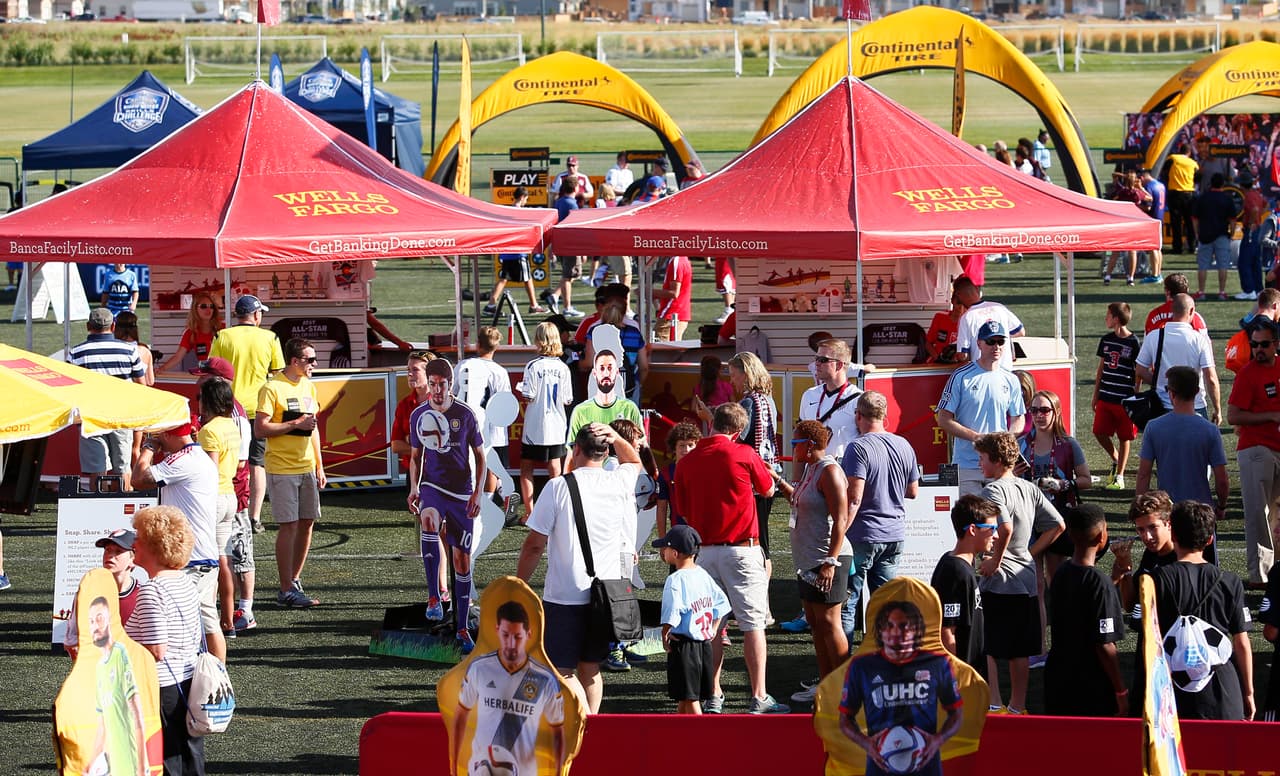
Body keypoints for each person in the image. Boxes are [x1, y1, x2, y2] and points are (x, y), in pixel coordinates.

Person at [516, 423, 640, 714]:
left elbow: (534, 545)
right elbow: (634, 460)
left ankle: (583, 720)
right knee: (591, 666)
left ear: (576, 450)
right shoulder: (619, 481)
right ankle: (593, 721)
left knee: (561, 670)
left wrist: (519, 582)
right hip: (608, 593)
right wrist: (617, 436)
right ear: (606, 451)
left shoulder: (559, 486)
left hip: (565, 594)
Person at [673, 403, 788, 715]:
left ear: (713, 425)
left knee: (710, 628)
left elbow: (681, 508)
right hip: (741, 548)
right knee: (752, 625)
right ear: (739, 431)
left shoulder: (687, 460)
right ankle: (759, 695)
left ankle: (713, 694)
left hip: (704, 553)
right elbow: (767, 489)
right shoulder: (744, 453)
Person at [974, 431, 1064, 715]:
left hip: (999, 580)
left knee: (988, 643)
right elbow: (1058, 525)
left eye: (983, 458)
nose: (980, 463)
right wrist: (1030, 553)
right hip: (1025, 577)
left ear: (997, 460)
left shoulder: (992, 490)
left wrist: (995, 561)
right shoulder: (1029, 488)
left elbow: (1005, 528)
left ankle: (993, 702)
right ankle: (1018, 707)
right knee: (1020, 648)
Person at [408, 358, 486, 654]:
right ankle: (434, 597)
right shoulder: (419, 415)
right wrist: (415, 487)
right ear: (428, 384)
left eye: (442, 384)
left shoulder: (464, 414)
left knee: (461, 561)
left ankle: (463, 628)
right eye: (433, 384)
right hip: (432, 487)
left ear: (450, 384)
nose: (438, 390)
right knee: (428, 519)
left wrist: (477, 494)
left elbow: (480, 456)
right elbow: (416, 457)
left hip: (461, 493)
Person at [1150, 501, 1254, 721]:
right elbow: (1241, 642)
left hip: (1174, 691)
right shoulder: (1230, 582)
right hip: (1224, 689)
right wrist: (1249, 692)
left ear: (1173, 534)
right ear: (1210, 539)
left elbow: (1151, 643)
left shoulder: (1157, 579)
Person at [838, 600, 963, 776]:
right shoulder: (862, 667)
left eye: (904, 626)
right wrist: (867, 744)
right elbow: (844, 719)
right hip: (879, 765)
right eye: (889, 625)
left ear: (918, 630)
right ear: (880, 631)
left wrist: (937, 740)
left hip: (926, 765)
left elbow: (956, 713)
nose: (896, 632)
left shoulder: (937, 664)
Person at [123, 505, 204, 776]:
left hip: (161, 688)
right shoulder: (185, 582)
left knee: (167, 761)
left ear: (154, 545)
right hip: (188, 680)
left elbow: (156, 649)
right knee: (191, 756)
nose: (133, 544)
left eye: (138, 538)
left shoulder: (152, 591)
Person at [779, 420, 852, 705]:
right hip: (808, 559)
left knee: (830, 622)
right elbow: (799, 503)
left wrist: (830, 561)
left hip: (826, 559)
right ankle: (826, 685)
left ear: (809, 445)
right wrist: (779, 482)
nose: (793, 450)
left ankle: (846, 688)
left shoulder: (830, 471)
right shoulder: (810, 469)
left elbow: (841, 518)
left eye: (796, 444)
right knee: (815, 622)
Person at [841, 391, 920, 643]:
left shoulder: (858, 447)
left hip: (863, 535)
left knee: (847, 602)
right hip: (894, 534)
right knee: (886, 605)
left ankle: (842, 668)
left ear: (858, 416)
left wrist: (839, 532)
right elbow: (913, 491)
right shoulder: (903, 444)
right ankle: (884, 660)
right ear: (884, 416)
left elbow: (854, 497)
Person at [452, 600, 565, 775]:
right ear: (497, 630)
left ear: (528, 634)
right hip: (479, 771)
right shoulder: (479, 669)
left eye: (517, 637)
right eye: (506, 635)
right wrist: (454, 765)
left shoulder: (544, 680)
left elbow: (557, 731)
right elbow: (460, 716)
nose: (511, 644)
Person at [255, 337, 325, 610]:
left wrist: (320, 465)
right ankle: (285, 588)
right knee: (290, 525)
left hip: (306, 466)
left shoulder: (309, 386)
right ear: (294, 361)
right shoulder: (271, 388)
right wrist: (296, 422)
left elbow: (314, 428)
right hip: (282, 467)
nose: (314, 364)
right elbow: (261, 429)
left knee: (307, 522)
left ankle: (294, 581)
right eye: (310, 360)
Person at [210, 294, 285, 536]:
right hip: (258, 408)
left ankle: (229, 512)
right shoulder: (270, 337)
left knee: (227, 461)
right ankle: (254, 517)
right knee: (257, 463)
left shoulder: (223, 336)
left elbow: (212, 369)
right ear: (255, 315)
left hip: (227, 407)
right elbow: (277, 374)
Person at [1043, 504, 1128, 718]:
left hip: (1058, 677)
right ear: (1102, 536)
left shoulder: (1061, 572)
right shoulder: (1099, 582)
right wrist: (1121, 690)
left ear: (1070, 535)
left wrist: (1113, 581)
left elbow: (1080, 602)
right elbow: (1104, 644)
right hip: (1090, 685)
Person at [1135, 366, 1229, 539]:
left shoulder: (1154, 427)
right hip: (1201, 514)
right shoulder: (1209, 430)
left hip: (1167, 514)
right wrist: (1221, 506)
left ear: (1171, 393)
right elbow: (1222, 480)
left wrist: (1141, 511)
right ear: (1196, 392)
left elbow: (1143, 475)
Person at [936, 321, 1026, 496]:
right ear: (979, 343)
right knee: (972, 519)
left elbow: (1018, 417)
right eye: (990, 341)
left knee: (1002, 519)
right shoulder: (961, 377)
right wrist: (977, 437)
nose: (996, 346)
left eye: (1000, 341)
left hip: (999, 465)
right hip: (968, 464)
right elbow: (944, 419)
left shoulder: (1011, 379)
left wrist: (1007, 437)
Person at [1225, 316, 1280, 586]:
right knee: (1258, 513)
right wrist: (1271, 416)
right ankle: (1259, 574)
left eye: (1264, 344)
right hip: (1256, 449)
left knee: (1275, 514)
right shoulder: (1247, 374)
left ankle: (1275, 571)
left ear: (1276, 344)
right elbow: (1233, 416)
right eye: (1254, 344)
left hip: (1276, 448)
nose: (1258, 349)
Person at [655, 525, 731, 715]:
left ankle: (704, 738)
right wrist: (714, 628)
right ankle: (678, 734)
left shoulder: (675, 579)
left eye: (664, 548)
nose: (662, 551)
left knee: (690, 698)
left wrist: (665, 633)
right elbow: (722, 603)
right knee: (686, 695)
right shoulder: (702, 574)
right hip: (704, 646)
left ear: (674, 553)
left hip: (684, 647)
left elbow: (672, 611)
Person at [1019, 389, 1092, 585]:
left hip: (1057, 514)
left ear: (1056, 411)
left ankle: (1056, 615)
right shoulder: (1022, 445)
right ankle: (1040, 616)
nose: (1039, 415)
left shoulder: (1069, 444)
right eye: (1033, 410)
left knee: (1055, 578)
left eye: (1045, 410)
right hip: (1027, 515)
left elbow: (1086, 480)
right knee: (1034, 581)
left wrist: (1063, 484)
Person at [68, 307, 145, 490]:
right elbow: (142, 386)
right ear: (113, 326)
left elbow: (70, 389)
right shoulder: (129, 351)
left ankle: (97, 509)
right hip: (122, 416)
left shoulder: (76, 353)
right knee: (123, 466)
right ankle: (124, 509)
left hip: (91, 416)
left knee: (97, 468)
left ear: (88, 326)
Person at [195, 378, 243, 641]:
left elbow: (208, 471)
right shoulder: (231, 426)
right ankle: (228, 619)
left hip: (212, 498)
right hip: (229, 496)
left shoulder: (209, 430)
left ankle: (210, 619)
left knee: (206, 562)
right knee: (223, 559)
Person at [83, 594, 148, 776]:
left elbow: (138, 715)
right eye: (91, 621)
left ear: (110, 619)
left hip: (133, 763)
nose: (95, 626)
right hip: (116, 765)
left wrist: (142, 768)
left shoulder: (121, 654)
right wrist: (89, 764)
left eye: (99, 618)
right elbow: (102, 724)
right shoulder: (98, 667)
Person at [931, 495, 998, 671]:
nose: (996, 535)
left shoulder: (963, 565)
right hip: (962, 676)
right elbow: (947, 632)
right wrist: (956, 677)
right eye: (992, 528)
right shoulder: (955, 571)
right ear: (973, 530)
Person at [726, 351, 780, 559]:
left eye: (733, 375)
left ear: (746, 374)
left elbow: (736, 437)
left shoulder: (749, 403)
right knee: (762, 533)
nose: (731, 381)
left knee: (755, 538)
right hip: (768, 473)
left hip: (751, 479)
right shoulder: (768, 401)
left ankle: (761, 584)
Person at [1135, 293, 1220, 423]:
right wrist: (1217, 409)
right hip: (1195, 407)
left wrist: (1161, 383)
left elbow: (1140, 370)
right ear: (1192, 311)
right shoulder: (1200, 340)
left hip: (1162, 406)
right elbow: (1211, 379)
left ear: (1172, 310)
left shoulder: (1154, 336)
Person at [518, 323, 574, 517]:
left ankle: (530, 512)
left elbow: (529, 395)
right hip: (557, 425)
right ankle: (556, 510)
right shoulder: (563, 367)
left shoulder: (533, 366)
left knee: (526, 467)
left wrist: (522, 388)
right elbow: (568, 399)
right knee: (555, 468)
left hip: (535, 426)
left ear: (539, 340)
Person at [454, 326, 514, 507]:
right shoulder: (500, 372)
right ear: (496, 347)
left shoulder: (464, 365)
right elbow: (505, 402)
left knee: (469, 465)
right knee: (491, 468)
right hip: (493, 427)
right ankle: (490, 500)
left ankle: (472, 500)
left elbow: (453, 394)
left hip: (467, 425)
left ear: (478, 344)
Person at [65, 529, 143, 661]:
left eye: (118, 551)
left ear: (133, 560)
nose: (110, 556)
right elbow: (72, 639)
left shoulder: (142, 595)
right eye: (107, 550)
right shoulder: (87, 592)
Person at [1092, 302, 1140, 489]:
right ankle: (1117, 459)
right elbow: (1101, 369)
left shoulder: (1133, 342)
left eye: (1108, 315)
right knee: (1099, 432)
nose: (1106, 318)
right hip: (1106, 395)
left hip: (1124, 399)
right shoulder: (1106, 340)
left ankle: (1119, 475)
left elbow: (1138, 370)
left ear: (1117, 319)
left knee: (1124, 437)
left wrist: (1135, 393)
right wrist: (1096, 394)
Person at [483, 187, 548, 316]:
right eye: (526, 199)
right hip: (518, 252)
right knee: (527, 278)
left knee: (503, 279)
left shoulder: (507, 211)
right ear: (523, 197)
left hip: (507, 251)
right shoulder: (520, 212)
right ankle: (533, 305)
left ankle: (490, 305)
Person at [798, 338, 862, 462]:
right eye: (816, 359)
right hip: (813, 473)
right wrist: (797, 480)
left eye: (823, 360)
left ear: (839, 365)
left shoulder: (858, 399)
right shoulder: (809, 395)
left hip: (843, 474)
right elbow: (800, 441)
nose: (816, 363)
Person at [566, 349, 641, 444]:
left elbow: (641, 446)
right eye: (601, 368)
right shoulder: (580, 411)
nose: (606, 373)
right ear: (594, 373)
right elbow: (572, 452)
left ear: (617, 372)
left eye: (610, 368)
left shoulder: (630, 408)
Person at [952, 276, 1025, 370]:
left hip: (981, 375)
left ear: (958, 295)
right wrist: (998, 337)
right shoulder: (999, 307)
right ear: (976, 289)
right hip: (1006, 372)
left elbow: (963, 355)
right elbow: (1020, 332)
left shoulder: (966, 317)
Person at [1193, 173, 1239, 300]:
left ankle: (1201, 291)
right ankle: (1222, 292)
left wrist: (1197, 233)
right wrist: (1232, 233)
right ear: (1222, 184)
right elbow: (1233, 219)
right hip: (1222, 234)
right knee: (1223, 265)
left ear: (1211, 183)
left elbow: (1195, 218)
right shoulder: (1226, 198)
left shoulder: (1203, 197)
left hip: (1205, 235)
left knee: (1202, 265)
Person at [655, 422, 700, 538]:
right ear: (674, 448)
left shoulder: (704, 470)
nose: (686, 450)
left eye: (690, 445)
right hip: (679, 532)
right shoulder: (665, 474)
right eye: (682, 445)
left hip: (703, 530)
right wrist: (662, 539)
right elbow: (662, 508)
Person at [158, 293, 223, 373]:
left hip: (224, 374)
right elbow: (178, 357)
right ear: (195, 309)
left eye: (211, 306)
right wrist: (161, 369)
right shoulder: (190, 333)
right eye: (203, 306)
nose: (208, 309)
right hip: (206, 375)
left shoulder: (223, 329)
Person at [1224, 288, 1280, 374]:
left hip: (1247, 373)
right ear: (1275, 306)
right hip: (1262, 375)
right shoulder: (1267, 326)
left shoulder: (1249, 323)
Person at [1144, 273, 1210, 334]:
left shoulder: (1154, 315)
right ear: (1187, 290)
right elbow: (1204, 343)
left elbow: (1147, 341)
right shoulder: (1194, 317)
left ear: (1167, 291)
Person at [1165, 142, 1199, 255]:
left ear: (1180, 150)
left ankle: (1177, 247)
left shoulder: (1173, 158)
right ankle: (1192, 247)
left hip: (1174, 194)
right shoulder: (1194, 163)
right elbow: (1198, 178)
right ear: (1189, 153)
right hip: (1189, 194)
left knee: (1176, 222)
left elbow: (1164, 171)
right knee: (1190, 222)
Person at [689, 354, 733, 436]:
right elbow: (734, 405)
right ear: (719, 370)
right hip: (724, 422)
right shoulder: (726, 386)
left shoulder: (699, 387)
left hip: (705, 424)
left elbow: (693, 408)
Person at [653, 254, 692, 342]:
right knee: (673, 351)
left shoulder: (676, 261)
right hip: (677, 314)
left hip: (671, 314)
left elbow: (674, 293)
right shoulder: (683, 259)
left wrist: (647, 291)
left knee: (661, 351)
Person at [1140, 169, 1167, 283]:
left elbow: (1148, 207)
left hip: (1152, 219)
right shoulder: (1161, 185)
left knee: (1153, 248)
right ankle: (1158, 273)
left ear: (1142, 178)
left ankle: (1155, 275)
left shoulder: (1149, 187)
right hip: (1160, 218)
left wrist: (1136, 207)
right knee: (1158, 247)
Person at [113, 311, 154, 387]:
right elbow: (150, 382)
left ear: (115, 328)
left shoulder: (110, 350)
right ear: (135, 329)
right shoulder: (144, 351)